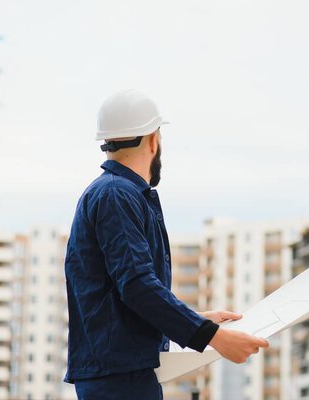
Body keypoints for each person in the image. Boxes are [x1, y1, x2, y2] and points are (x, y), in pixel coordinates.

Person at [64, 89, 269, 400]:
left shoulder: (116, 194)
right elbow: (136, 285)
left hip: (121, 374)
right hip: (120, 379)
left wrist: (196, 321)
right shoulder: (117, 195)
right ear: (152, 140)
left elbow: (126, 296)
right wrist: (213, 337)